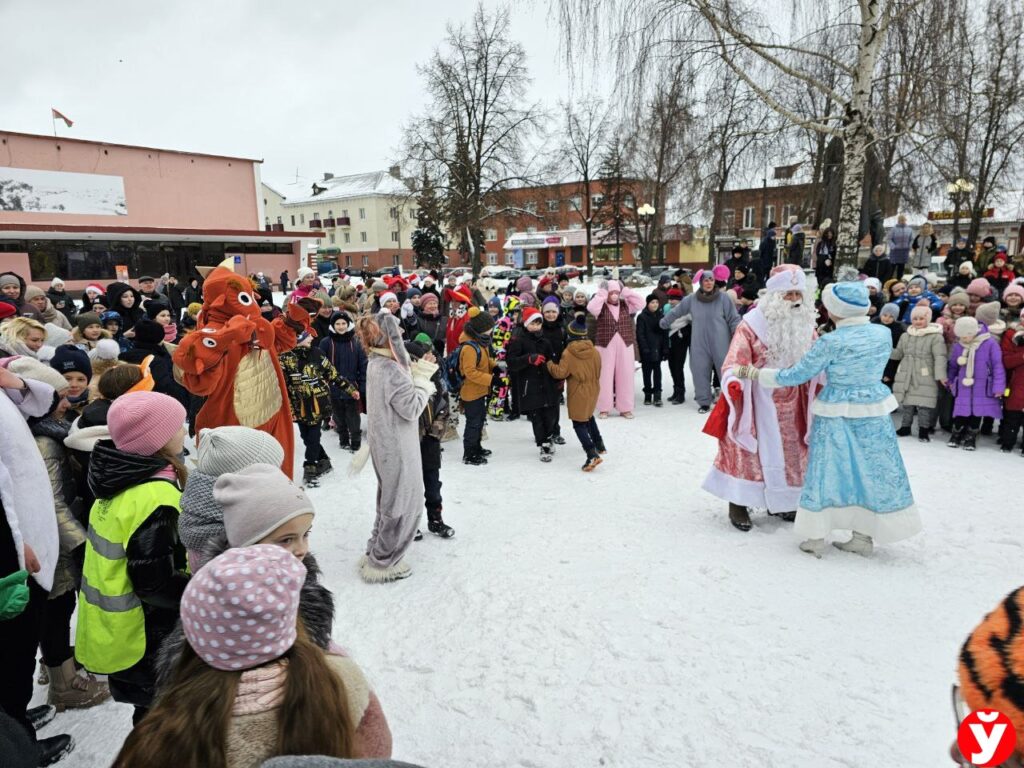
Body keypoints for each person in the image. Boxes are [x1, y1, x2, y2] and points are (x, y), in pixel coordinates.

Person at [113, 545, 392, 767]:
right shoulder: (342, 680)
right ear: (290, 621)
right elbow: (377, 749)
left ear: (192, 637)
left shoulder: (164, 732)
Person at [734, 280, 921, 557]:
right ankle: (863, 535)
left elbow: (796, 375)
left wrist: (755, 374)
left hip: (837, 412)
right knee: (871, 471)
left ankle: (816, 535)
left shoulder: (831, 342)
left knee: (827, 470)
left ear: (835, 311)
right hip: (874, 410)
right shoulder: (882, 334)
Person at [74, 391, 190, 725]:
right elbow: (155, 582)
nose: (185, 431)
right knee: (163, 723)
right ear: (157, 439)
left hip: (116, 629)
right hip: (147, 636)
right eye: (178, 427)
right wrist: (204, 592)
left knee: (150, 716)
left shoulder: (114, 484)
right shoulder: (155, 497)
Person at [701, 265, 819, 532]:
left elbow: (815, 358)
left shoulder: (806, 325)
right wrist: (737, 380)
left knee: (791, 452)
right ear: (774, 296)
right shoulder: (751, 325)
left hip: (794, 403)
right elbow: (733, 363)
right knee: (748, 452)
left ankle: (783, 500)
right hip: (756, 399)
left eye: (797, 293)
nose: (794, 300)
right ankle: (739, 502)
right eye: (788, 294)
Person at [0, 360, 73, 765]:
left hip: (27, 531)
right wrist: (16, 544)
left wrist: (15, 381)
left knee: (19, 648)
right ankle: (18, 744)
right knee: (13, 647)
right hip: (12, 549)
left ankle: (12, 717)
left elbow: (41, 403)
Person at [354, 313, 434, 583]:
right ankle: (383, 561)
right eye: (397, 331)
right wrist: (423, 380)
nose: (401, 334)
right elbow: (411, 408)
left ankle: (376, 551)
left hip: (384, 443)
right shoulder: (389, 368)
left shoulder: (375, 362)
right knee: (403, 502)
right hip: (398, 448)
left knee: (388, 499)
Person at [280, 331, 357, 485]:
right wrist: (288, 408)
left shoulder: (317, 354)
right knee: (306, 437)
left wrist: (350, 389)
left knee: (313, 437)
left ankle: (310, 467)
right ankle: (323, 460)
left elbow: (333, 374)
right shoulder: (285, 358)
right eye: (307, 336)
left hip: (318, 404)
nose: (312, 338)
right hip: (299, 405)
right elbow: (282, 385)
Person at [660, 266, 740, 414]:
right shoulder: (692, 299)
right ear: (701, 282)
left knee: (726, 371)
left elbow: (733, 318)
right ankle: (704, 401)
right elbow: (677, 311)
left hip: (721, 341)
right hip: (699, 342)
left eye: (711, 280)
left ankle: (730, 401)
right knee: (699, 371)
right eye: (705, 280)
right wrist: (665, 321)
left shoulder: (724, 299)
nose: (709, 283)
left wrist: (738, 333)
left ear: (715, 281)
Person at [404, 340, 455, 537]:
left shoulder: (435, 380)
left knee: (432, 484)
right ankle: (410, 523)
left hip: (430, 442)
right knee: (410, 487)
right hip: (408, 443)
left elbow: (443, 407)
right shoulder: (403, 382)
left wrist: (435, 430)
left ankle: (435, 519)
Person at [547, 318, 606, 471]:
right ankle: (599, 444)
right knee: (588, 416)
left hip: (578, 390)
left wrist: (549, 364)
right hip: (594, 387)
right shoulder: (594, 350)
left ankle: (591, 454)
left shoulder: (569, 352)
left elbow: (561, 373)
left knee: (579, 422)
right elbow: (599, 369)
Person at [508, 307, 561, 461]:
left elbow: (552, 362)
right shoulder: (518, 341)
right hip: (529, 386)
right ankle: (543, 444)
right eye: (532, 323)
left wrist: (558, 378)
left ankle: (549, 437)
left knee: (550, 415)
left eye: (538, 324)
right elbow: (511, 363)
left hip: (547, 384)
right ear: (525, 324)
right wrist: (528, 359)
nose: (536, 327)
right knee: (537, 417)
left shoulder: (545, 342)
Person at [947, 315, 1006, 451]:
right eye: (960, 336)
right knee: (961, 410)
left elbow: (997, 366)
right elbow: (953, 366)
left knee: (977, 412)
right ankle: (957, 433)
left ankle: (971, 436)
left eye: (966, 336)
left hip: (982, 385)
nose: (964, 339)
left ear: (973, 332)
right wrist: (950, 380)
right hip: (963, 385)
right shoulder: (958, 345)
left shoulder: (990, 343)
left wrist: (998, 387)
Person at [587, 279, 644, 419]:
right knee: (604, 377)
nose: (614, 296)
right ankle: (603, 407)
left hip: (625, 344)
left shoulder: (626, 305)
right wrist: (602, 293)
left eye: (616, 293)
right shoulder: (601, 305)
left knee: (625, 375)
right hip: (604, 345)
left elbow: (641, 303)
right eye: (611, 293)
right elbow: (591, 308)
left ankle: (625, 407)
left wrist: (626, 292)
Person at [890, 305, 946, 441]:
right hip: (906, 371)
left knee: (924, 404)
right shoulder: (906, 335)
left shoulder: (935, 337)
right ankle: (905, 427)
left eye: (921, 318)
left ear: (928, 319)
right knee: (907, 403)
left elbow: (940, 357)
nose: (918, 321)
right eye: (915, 318)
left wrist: (941, 376)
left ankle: (923, 429)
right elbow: (898, 353)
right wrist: (884, 350)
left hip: (925, 373)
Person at [320, 311, 367, 452]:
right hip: (333, 386)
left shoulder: (356, 342)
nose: (341, 327)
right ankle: (343, 438)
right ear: (333, 326)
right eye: (337, 324)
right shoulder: (326, 342)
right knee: (338, 415)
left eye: (343, 324)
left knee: (353, 415)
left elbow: (363, 364)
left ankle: (356, 440)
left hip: (352, 386)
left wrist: (363, 384)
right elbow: (321, 364)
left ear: (348, 324)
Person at [119, 318, 190, 409]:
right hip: (155, 406)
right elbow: (165, 386)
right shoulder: (157, 361)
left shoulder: (123, 356)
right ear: (158, 337)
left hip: (126, 404)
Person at [457, 307, 497, 465]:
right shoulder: (469, 347)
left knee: (480, 420)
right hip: (470, 392)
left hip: (480, 390)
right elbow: (470, 372)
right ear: (481, 329)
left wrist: (495, 366)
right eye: (489, 328)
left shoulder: (482, 343)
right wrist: (491, 380)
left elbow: (485, 362)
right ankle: (469, 453)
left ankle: (477, 447)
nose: (491, 331)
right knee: (473, 423)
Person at [635, 294, 669, 407]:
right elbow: (640, 334)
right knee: (647, 372)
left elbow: (665, 333)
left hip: (658, 349)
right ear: (647, 304)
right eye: (652, 302)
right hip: (647, 349)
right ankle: (648, 394)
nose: (654, 305)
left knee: (657, 372)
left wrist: (665, 348)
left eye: (656, 302)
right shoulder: (642, 317)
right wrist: (644, 348)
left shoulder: (661, 316)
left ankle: (657, 395)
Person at [1000, 317, 1024, 453]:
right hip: (1015, 382)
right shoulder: (1011, 334)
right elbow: (1007, 361)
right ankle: (1007, 442)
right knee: (1012, 416)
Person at [664, 288, 690, 404]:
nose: (671, 301)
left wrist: (685, 332)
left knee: (678, 367)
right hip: (669, 339)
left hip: (680, 338)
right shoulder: (666, 308)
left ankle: (681, 393)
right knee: (671, 366)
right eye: (670, 299)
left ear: (679, 300)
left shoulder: (686, 310)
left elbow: (693, 321)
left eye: (674, 299)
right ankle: (676, 390)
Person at [873, 303, 905, 388]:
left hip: (887, 364)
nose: (887, 318)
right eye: (885, 315)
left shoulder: (898, 331)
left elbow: (896, 356)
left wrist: (889, 373)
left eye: (891, 317)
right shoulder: (872, 325)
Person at [887, 215, 914, 279]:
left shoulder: (909, 229)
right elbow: (889, 239)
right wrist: (893, 246)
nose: (902, 221)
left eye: (903, 220)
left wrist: (909, 246)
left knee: (901, 268)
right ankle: (888, 281)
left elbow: (912, 239)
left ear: (905, 220)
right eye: (901, 220)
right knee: (891, 268)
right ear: (898, 221)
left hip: (904, 251)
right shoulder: (893, 229)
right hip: (895, 251)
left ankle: (899, 281)